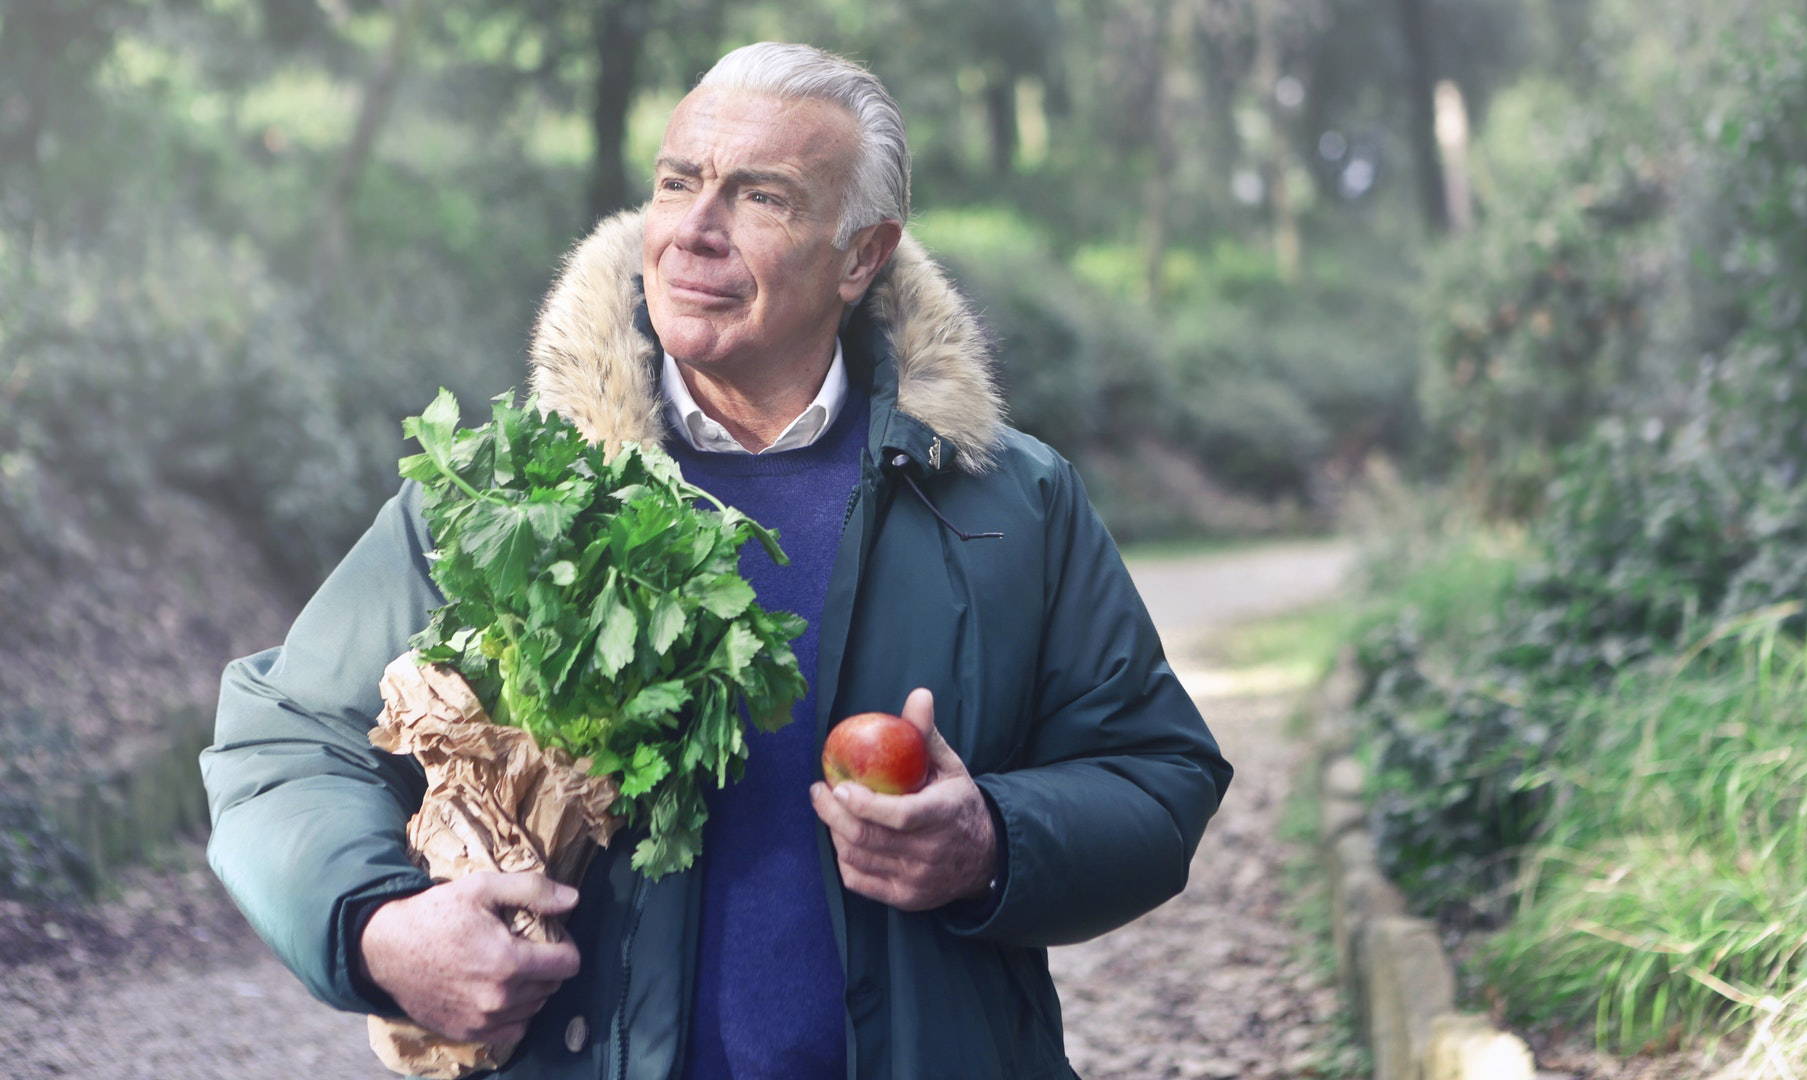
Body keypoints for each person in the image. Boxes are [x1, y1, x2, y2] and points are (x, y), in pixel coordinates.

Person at [202, 41, 1231, 1080]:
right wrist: (380, 929)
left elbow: (1159, 776)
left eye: (761, 197)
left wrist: (995, 842)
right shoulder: (506, 493)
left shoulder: (1009, 501)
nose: (693, 230)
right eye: (677, 182)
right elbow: (282, 743)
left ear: (862, 254)